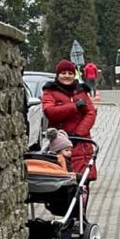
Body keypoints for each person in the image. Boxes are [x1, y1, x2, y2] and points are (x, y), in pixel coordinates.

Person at [41, 60, 98, 197]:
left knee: (83, 184)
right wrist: (74, 107)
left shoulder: (81, 91)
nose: (67, 76)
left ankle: (80, 210)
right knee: (63, 186)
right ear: (57, 75)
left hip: (81, 143)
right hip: (60, 144)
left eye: (70, 73)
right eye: (63, 73)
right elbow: (50, 112)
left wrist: (78, 133)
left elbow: (90, 113)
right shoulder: (50, 91)